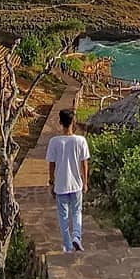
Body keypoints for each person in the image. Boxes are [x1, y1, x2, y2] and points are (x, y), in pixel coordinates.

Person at [46, 107, 89, 253]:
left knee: (63, 216)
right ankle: (77, 236)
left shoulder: (54, 142)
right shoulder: (81, 141)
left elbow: (51, 164)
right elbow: (84, 163)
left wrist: (51, 182)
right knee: (77, 212)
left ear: (60, 122)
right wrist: (85, 182)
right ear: (73, 122)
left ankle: (68, 246)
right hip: (76, 183)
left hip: (61, 185)